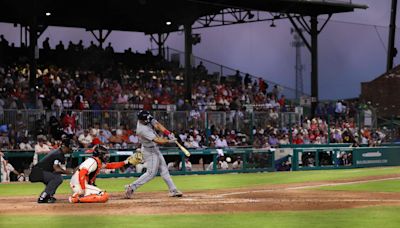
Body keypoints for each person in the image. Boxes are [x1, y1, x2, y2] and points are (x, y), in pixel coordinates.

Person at [124, 110, 183, 198]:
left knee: (164, 169)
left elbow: (157, 125)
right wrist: (170, 140)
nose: (149, 120)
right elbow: (158, 140)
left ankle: (173, 190)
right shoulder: (142, 130)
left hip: (154, 148)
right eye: (147, 119)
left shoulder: (146, 118)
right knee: (151, 173)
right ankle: (131, 187)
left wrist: (168, 133)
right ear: (142, 120)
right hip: (149, 151)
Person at [69, 145, 142, 203]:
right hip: (79, 184)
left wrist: (126, 162)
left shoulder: (97, 161)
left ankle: (78, 196)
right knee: (104, 196)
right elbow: (82, 173)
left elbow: (111, 165)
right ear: (99, 155)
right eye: (104, 155)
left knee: (99, 195)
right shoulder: (93, 161)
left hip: (78, 183)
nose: (106, 156)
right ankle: (76, 198)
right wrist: (83, 189)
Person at [29, 138, 73, 203]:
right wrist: (68, 172)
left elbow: (55, 168)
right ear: (64, 146)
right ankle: (43, 197)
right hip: (37, 172)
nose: (71, 149)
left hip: (40, 171)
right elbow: (56, 168)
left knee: (55, 178)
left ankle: (48, 196)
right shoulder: (58, 154)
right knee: (58, 178)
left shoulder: (59, 152)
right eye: (69, 147)